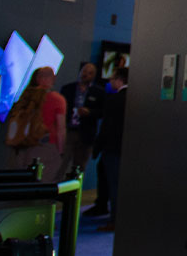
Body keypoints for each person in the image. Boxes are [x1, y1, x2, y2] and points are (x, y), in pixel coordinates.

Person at [10, 67, 67, 182]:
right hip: (45, 146)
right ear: (52, 78)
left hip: (21, 145)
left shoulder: (25, 96)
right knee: (41, 184)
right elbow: (61, 128)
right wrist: (60, 152)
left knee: (18, 183)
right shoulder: (57, 99)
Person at [58, 62, 105, 190]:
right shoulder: (68, 89)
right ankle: (53, 194)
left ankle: (72, 196)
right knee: (60, 164)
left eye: (90, 73)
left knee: (79, 168)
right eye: (84, 71)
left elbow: (102, 111)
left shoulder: (99, 92)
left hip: (86, 134)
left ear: (94, 76)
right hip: (68, 131)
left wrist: (90, 112)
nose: (86, 74)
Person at [93, 67, 128, 232]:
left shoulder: (114, 100)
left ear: (120, 79)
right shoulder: (137, 99)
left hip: (113, 149)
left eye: (113, 78)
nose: (110, 81)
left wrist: (97, 148)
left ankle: (115, 221)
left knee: (114, 186)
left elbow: (106, 128)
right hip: (129, 150)